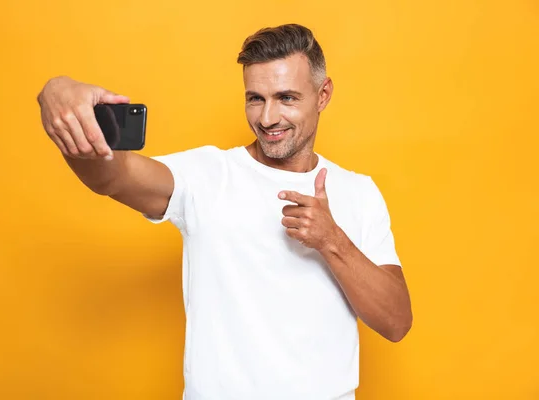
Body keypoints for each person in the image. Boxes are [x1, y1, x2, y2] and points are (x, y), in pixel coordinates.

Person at [37, 23, 412, 400]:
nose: (267, 118)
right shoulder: (208, 174)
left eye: (286, 98)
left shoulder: (358, 193)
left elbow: (396, 322)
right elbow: (113, 178)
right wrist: (60, 95)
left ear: (323, 94)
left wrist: (332, 241)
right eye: (255, 98)